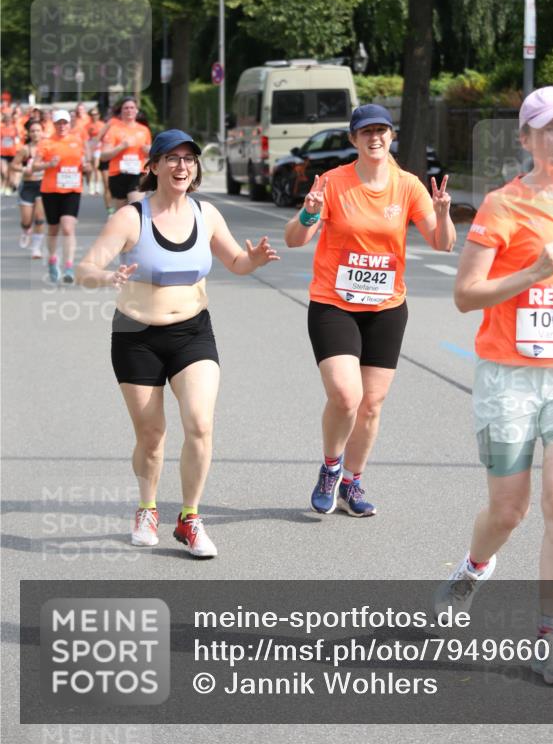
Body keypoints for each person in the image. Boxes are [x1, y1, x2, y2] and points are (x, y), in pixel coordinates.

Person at [435, 86, 553, 686]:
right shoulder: (500, 206)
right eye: (548, 129)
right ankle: (471, 570)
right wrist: (532, 271)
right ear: (526, 138)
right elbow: (466, 297)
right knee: (509, 511)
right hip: (509, 377)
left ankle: (550, 640)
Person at [76, 129, 279, 558]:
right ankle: (147, 507)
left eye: (188, 159)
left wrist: (254, 260)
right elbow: (85, 267)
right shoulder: (132, 217)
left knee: (200, 424)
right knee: (152, 436)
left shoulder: (207, 215)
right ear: (152, 166)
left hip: (192, 332)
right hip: (136, 337)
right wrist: (105, 277)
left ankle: (189, 518)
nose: (181, 166)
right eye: (171, 158)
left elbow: (237, 263)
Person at [285, 103, 456, 517]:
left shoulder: (408, 185)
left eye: (382, 131)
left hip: (386, 307)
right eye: (366, 132)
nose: (375, 138)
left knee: (371, 404)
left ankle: (352, 483)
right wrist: (309, 210)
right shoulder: (333, 182)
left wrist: (443, 212)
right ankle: (331, 467)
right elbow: (295, 239)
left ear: (391, 136)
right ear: (353, 139)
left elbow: (443, 243)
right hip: (333, 303)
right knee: (346, 396)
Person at [32, 109, 89, 283]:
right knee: (54, 229)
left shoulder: (77, 141)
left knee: (68, 228)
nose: (62, 126)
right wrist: (49, 164)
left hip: (72, 190)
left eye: (64, 122)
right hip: (50, 190)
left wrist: (86, 167)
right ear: (54, 124)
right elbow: (35, 166)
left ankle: (69, 266)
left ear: (69, 124)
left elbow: (85, 163)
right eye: (58, 123)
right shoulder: (46, 143)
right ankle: (52, 260)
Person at [100, 97, 152, 212]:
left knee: (136, 206)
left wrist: (149, 150)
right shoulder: (114, 130)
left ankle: (137, 229)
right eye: (126, 108)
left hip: (138, 173)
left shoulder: (144, 130)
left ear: (136, 111)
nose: (129, 110)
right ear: (121, 111)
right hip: (118, 174)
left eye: (132, 108)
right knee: (121, 212)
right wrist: (120, 147)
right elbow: (103, 156)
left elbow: (151, 153)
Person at [11, 118, 46, 257]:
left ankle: (36, 248)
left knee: (39, 218)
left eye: (38, 130)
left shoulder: (47, 147)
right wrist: (24, 169)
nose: (36, 133)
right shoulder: (25, 149)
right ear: (29, 133)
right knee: (26, 221)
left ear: (42, 132)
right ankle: (26, 231)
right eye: (33, 131)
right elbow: (13, 165)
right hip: (28, 186)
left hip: (43, 185)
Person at [1, 110, 20, 195]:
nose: (8, 120)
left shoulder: (15, 128)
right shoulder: (1, 128)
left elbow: (18, 139)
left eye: (9, 119)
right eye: (7, 119)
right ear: (4, 120)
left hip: (12, 153)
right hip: (3, 153)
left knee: (11, 171)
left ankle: (8, 187)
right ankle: (3, 185)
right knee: (4, 171)